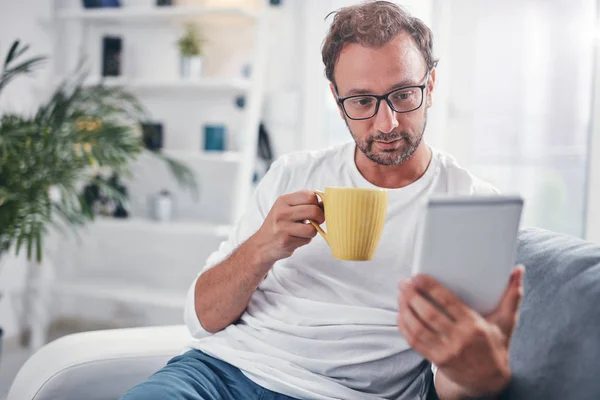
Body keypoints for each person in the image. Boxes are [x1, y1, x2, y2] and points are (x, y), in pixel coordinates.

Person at [121, 1, 524, 399]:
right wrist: (261, 248)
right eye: (362, 101)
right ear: (336, 98)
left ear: (430, 85)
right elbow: (202, 319)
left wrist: (480, 375)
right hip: (221, 375)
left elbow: (449, 382)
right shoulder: (292, 175)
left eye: (403, 94)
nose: (387, 124)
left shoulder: (467, 203)